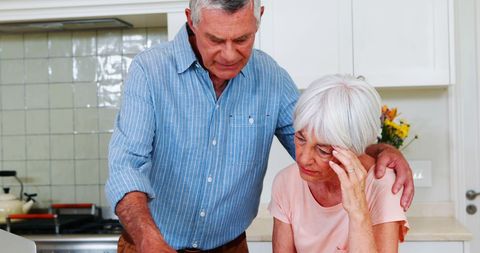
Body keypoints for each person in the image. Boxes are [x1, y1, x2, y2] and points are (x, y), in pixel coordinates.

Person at [105, 0, 414, 252]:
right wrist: (148, 239)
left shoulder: (271, 77)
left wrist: (380, 149)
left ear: (259, 19)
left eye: (242, 39)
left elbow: (320, 136)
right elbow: (125, 166)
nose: (229, 54)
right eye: (215, 39)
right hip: (149, 245)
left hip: (229, 249)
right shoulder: (150, 71)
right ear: (191, 20)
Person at [269, 74, 409, 253]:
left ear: (353, 150)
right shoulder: (286, 182)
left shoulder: (381, 185)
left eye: (323, 150)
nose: (303, 159)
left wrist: (358, 211)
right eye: (300, 138)